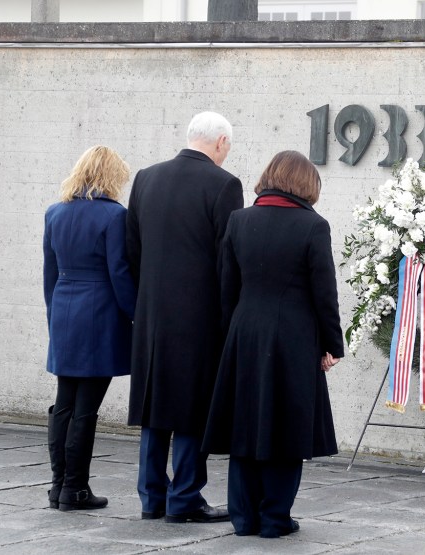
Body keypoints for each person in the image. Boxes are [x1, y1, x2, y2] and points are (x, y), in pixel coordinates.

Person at [202, 150, 344, 538]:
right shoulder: (313, 226)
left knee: (245, 427)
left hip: (244, 333)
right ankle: (275, 518)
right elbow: (324, 293)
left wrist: (232, 335)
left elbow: (226, 287)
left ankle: (244, 518)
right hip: (294, 338)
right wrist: (332, 344)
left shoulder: (239, 220)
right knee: (287, 427)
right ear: (306, 184)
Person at [125, 111, 244, 523]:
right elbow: (227, 260)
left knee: (154, 408)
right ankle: (185, 497)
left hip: (152, 314)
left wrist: (147, 300)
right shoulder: (224, 184)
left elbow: (132, 251)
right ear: (220, 143)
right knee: (194, 410)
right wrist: (230, 319)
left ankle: (151, 497)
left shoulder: (145, 178)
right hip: (201, 318)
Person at [43, 145, 136, 511]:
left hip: (65, 310)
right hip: (100, 315)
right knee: (86, 406)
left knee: (64, 401)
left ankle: (58, 487)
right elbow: (119, 273)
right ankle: (75, 488)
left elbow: (49, 273)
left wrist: (55, 317)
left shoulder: (55, 212)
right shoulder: (114, 216)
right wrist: (136, 314)